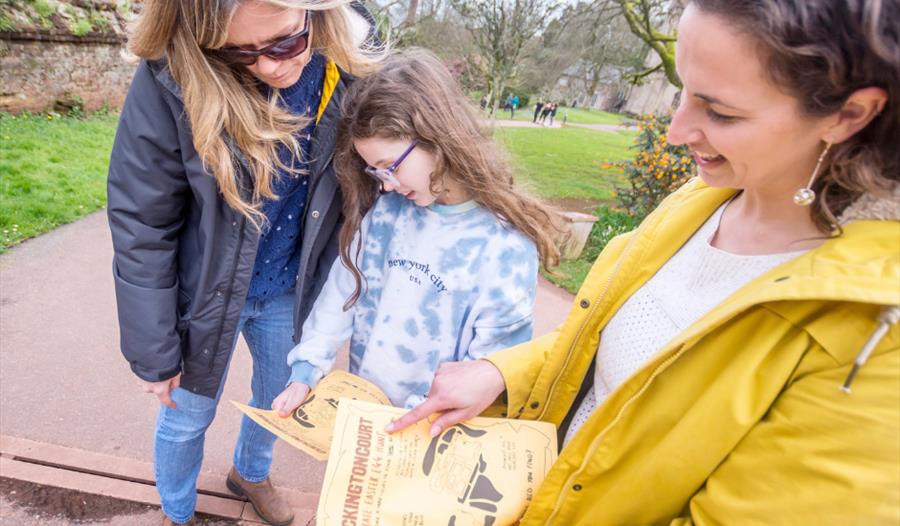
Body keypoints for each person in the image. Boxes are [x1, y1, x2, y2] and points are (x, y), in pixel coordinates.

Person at [388, 0, 900, 523]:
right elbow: (626, 351)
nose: (677, 132)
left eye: (720, 112)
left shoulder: (874, 335)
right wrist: (502, 373)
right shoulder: (700, 200)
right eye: (682, 92)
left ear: (848, 115)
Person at [106, 1, 381, 525]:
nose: (270, 66)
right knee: (186, 417)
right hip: (204, 291)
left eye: (285, 43)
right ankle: (177, 512)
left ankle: (250, 473)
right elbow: (143, 222)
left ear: (314, 16)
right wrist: (152, 348)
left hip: (287, 287)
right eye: (239, 52)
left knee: (277, 402)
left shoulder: (349, 70)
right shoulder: (173, 75)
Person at [270, 49, 560, 416]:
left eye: (390, 166)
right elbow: (341, 293)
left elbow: (492, 366)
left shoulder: (505, 247)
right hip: (367, 421)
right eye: (376, 172)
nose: (386, 185)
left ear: (435, 137)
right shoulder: (385, 214)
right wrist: (305, 370)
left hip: (435, 435)